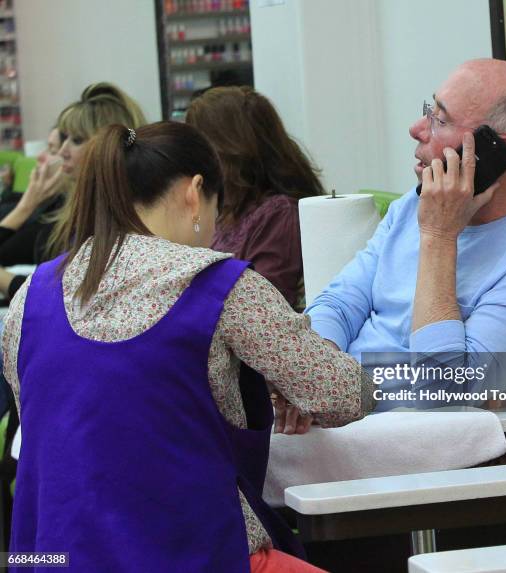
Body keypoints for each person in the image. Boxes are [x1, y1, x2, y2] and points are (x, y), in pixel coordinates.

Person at [2, 121, 372, 572]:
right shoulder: (218, 284)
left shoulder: (29, 297)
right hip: (185, 554)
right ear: (195, 192)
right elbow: (346, 394)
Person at [305, 58, 506, 410]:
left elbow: (442, 396)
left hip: (404, 449)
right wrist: (308, 378)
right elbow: (339, 303)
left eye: (440, 119)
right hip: (334, 413)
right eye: (429, 110)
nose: (416, 128)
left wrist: (439, 236)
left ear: (493, 152)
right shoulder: (414, 204)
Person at [0, 82, 146, 301]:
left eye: (76, 140)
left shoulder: (117, 219)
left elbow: (62, 298)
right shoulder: (72, 209)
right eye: (63, 139)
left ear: (107, 146)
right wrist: (26, 206)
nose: (62, 151)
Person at [186, 86, 325, 310]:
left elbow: (264, 309)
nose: (195, 161)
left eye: (202, 149)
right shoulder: (227, 211)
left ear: (230, 150)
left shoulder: (279, 214)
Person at [0, 127, 67, 269]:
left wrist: (26, 205)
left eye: (52, 150)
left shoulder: (54, 222)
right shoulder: (44, 202)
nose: (40, 156)